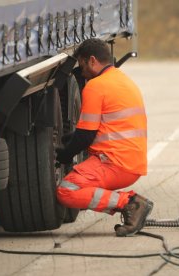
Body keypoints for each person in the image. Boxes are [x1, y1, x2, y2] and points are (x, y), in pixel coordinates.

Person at [55, 38, 153, 237]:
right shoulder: (122, 79)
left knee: (67, 190)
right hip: (131, 161)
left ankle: (130, 203)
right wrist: (72, 138)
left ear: (92, 61)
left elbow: (85, 137)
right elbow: (104, 126)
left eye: (81, 65)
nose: (81, 72)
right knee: (81, 184)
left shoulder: (95, 86)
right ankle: (130, 203)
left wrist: (64, 155)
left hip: (114, 163)